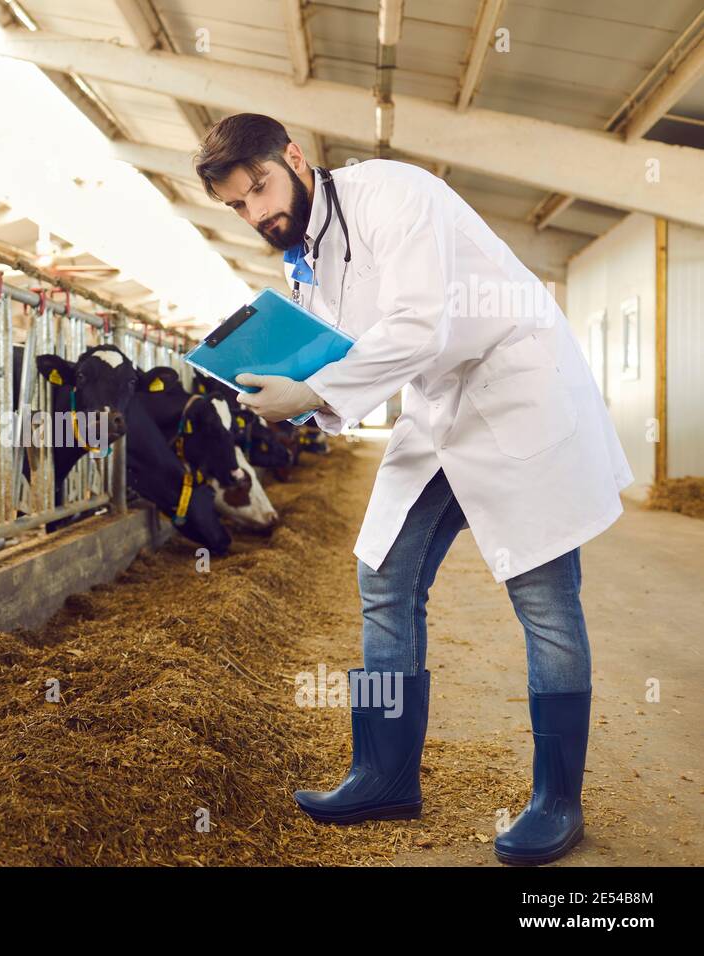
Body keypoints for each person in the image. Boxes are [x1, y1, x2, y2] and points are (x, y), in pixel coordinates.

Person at [193, 113, 634, 865]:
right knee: (384, 575)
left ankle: (557, 802)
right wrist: (280, 376)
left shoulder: (395, 197)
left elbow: (420, 326)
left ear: (295, 157)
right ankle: (383, 773)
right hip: (438, 409)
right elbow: (345, 352)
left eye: (260, 188)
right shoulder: (303, 260)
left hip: (517, 388)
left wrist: (308, 391)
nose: (257, 212)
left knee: (544, 598)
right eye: (237, 205)